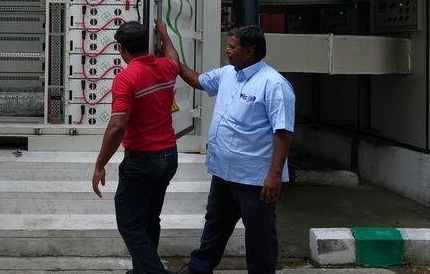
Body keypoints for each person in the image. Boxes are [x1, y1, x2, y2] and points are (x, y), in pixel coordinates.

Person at [160, 22, 295, 274]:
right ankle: (199, 269)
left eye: (232, 47)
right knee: (215, 225)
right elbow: (196, 80)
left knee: (260, 235)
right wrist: (168, 48)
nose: (227, 50)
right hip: (223, 172)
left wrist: (275, 175)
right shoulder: (227, 74)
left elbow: (283, 133)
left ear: (250, 52)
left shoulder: (273, 84)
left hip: (255, 179)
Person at [92, 21, 180, 274]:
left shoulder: (126, 78)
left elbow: (118, 126)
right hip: (169, 157)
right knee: (150, 219)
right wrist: (164, 35)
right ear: (150, 45)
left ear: (120, 48)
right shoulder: (166, 67)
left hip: (143, 160)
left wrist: (100, 164)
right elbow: (172, 57)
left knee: (130, 225)